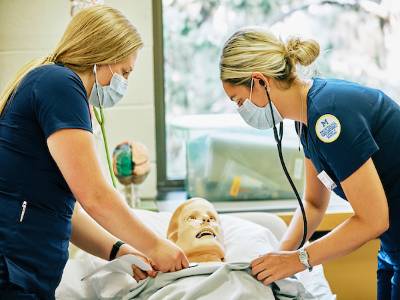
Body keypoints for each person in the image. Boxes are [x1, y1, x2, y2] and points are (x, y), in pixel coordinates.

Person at [0, 5, 188, 299]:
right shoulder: (60, 84)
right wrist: (157, 247)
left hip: (26, 275)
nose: (123, 82)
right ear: (103, 56)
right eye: (124, 72)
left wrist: (119, 250)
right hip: (12, 268)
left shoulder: (50, 83)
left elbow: (61, 211)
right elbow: (95, 196)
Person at [219, 27, 400, 300]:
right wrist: (279, 257)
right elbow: (313, 204)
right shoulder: (306, 123)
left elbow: (373, 219)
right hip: (392, 246)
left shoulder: (329, 116)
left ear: (260, 81)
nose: (242, 110)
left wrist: (298, 260)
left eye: (240, 101)